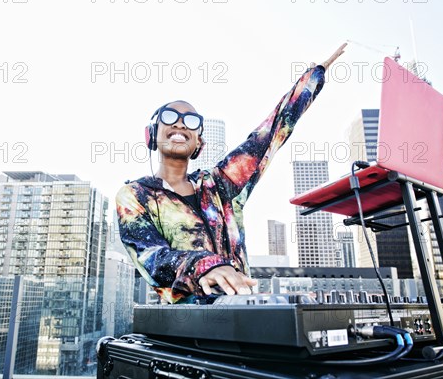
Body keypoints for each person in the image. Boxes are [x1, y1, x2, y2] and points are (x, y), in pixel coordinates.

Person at [116, 44, 347, 304]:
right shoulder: (135, 195)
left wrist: (311, 79)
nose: (180, 123)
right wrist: (206, 266)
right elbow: (150, 256)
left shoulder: (220, 185)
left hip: (239, 312)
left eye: (191, 121)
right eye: (170, 117)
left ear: (198, 143)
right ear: (151, 134)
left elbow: (269, 134)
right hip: (185, 324)